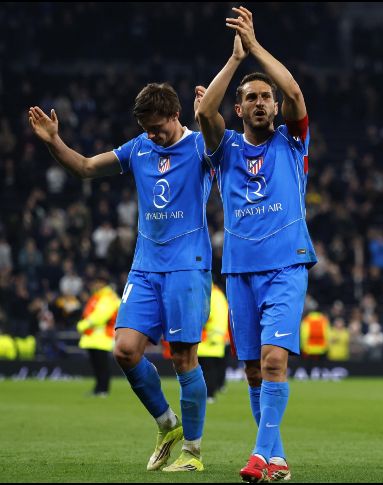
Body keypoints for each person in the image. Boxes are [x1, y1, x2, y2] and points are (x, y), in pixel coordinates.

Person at [28, 82, 216, 472]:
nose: (152, 135)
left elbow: (217, 135)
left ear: (175, 116)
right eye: (146, 128)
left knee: (183, 357)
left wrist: (208, 113)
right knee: (125, 350)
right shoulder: (139, 148)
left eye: (158, 128)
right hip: (145, 266)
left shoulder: (200, 146)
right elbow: (83, 168)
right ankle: (167, 425)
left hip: (187, 264)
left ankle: (193, 453)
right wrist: (53, 141)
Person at [196, 6, 316, 482]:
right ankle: (278, 456)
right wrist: (234, 59)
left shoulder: (293, 142)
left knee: (272, 360)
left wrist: (257, 47)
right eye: (253, 98)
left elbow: (294, 91)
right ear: (240, 109)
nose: (264, 102)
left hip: (287, 264)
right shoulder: (224, 150)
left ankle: (258, 457)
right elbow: (205, 112)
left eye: (267, 96)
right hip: (240, 270)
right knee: (250, 370)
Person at [76, 274, 120, 397]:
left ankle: (103, 390)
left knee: (102, 366)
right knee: (97, 366)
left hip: (102, 337)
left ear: (103, 283)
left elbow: (100, 316)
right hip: (93, 337)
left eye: (97, 282)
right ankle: (98, 389)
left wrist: (82, 325)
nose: (95, 285)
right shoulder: (99, 296)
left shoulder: (107, 297)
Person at [198, 283, 229, 403]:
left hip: (207, 339)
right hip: (219, 338)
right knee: (216, 368)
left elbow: (205, 314)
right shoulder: (220, 295)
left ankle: (208, 394)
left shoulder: (208, 295)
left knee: (206, 369)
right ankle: (216, 389)